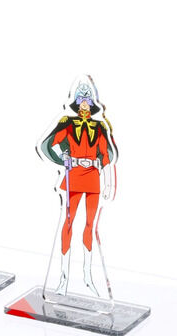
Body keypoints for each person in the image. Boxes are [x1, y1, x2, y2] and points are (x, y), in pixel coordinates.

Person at [38, 79, 116, 296]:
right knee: (68, 222)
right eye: (81, 100)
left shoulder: (100, 127)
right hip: (73, 177)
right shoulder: (67, 123)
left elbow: (107, 156)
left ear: (91, 103)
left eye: (87, 100)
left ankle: (88, 277)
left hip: (93, 178)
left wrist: (109, 182)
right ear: (76, 101)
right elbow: (48, 144)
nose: (84, 104)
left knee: (90, 225)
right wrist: (62, 159)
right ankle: (63, 278)